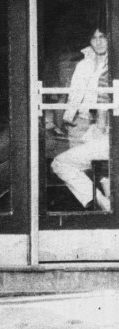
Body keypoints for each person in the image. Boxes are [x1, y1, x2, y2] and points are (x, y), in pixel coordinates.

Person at [51, 27, 111, 211]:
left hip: (102, 125)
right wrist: (68, 119)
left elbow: (104, 100)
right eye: (94, 37)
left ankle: (106, 204)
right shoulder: (84, 64)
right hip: (83, 121)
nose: (98, 41)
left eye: (102, 37)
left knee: (95, 166)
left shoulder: (112, 65)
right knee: (90, 167)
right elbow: (74, 95)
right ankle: (106, 203)